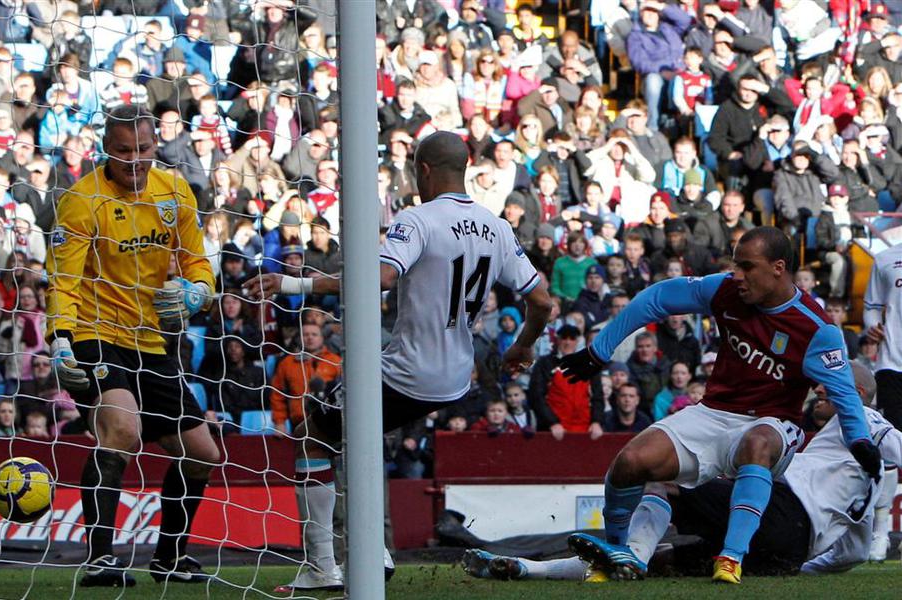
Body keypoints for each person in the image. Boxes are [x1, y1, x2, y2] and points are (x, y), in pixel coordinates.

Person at [244, 131, 553, 591]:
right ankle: (368, 551)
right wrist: (523, 346)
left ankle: (331, 563)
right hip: (454, 378)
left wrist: (295, 286)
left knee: (313, 437)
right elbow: (543, 300)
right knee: (350, 436)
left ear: (422, 170)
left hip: (409, 372)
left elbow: (381, 277)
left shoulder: (418, 220)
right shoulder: (497, 227)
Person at [557, 226, 878, 584]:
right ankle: (616, 553)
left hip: (773, 423)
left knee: (757, 442)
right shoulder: (725, 289)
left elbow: (847, 393)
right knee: (630, 463)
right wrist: (600, 349)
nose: (737, 274)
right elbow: (659, 297)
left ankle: (731, 558)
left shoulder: (817, 328)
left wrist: (860, 441)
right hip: (712, 413)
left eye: (747, 266)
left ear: (778, 267)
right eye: (736, 265)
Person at [465, 361, 899, 582]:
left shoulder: (860, 417)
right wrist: (800, 568)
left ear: (855, 392)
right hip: (790, 551)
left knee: (659, 481)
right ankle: (525, 569)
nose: (819, 391)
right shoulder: (866, 474)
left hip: (783, 512)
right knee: (663, 564)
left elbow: (891, 440)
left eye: (826, 387)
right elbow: (857, 552)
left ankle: (630, 551)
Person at [45, 105, 219, 587]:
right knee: (121, 428)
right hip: (93, 332)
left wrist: (197, 292)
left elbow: (197, 262)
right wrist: (59, 339)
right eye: (124, 152)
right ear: (107, 149)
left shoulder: (174, 191)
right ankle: (100, 558)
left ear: (155, 146)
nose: (135, 161)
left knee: (201, 453)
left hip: (151, 338)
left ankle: (168, 558)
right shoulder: (83, 201)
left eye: (144, 149)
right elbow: (62, 280)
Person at [864, 241, 902, 429]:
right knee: (894, 436)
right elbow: (871, 307)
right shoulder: (884, 258)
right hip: (891, 363)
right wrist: (873, 326)